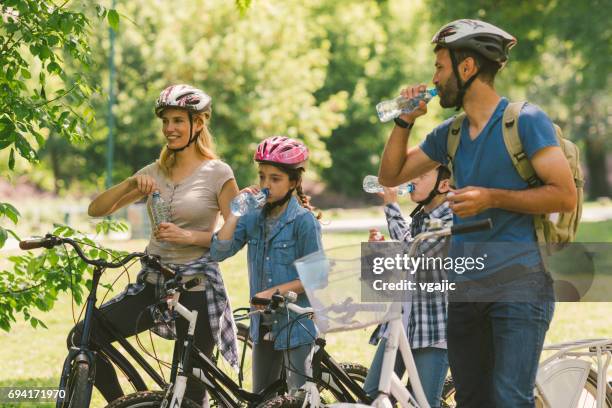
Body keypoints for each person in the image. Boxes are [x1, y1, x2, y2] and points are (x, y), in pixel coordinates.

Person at [378, 19, 577, 407]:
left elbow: (564, 195)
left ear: (466, 67)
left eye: (440, 66)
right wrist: (404, 120)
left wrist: (492, 198)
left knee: (508, 398)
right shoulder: (449, 134)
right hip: (466, 289)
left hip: (520, 283)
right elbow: (390, 175)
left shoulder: (525, 121)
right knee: (472, 399)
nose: (434, 77)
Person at [77, 84, 240, 406]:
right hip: (153, 285)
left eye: (178, 120)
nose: (169, 128)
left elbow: (235, 237)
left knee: (191, 391)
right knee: (84, 336)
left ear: (199, 122)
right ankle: (126, 404)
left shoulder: (218, 173)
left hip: (196, 290)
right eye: (165, 121)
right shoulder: (154, 171)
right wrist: (129, 183)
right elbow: (96, 210)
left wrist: (191, 237)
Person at [210, 136, 323, 394]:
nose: (265, 185)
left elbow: (316, 277)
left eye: (275, 179)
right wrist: (235, 213)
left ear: (293, 182)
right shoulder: (252, 217)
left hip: (295, 324)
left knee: (298, 397)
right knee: (261, 397)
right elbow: (218, 251)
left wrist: (272, 293)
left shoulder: (304, 222)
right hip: (263, 325)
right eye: (262, 177)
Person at [363, 165, 452, 408]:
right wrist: (383, 249)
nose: (411, 180)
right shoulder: (421, 215)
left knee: (422, 403)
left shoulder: (450, 217)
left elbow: (416, 252)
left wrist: (391, 206)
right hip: (401, 324)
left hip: (433, 330)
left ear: (443, 185)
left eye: (421, 176)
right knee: (373, 395)